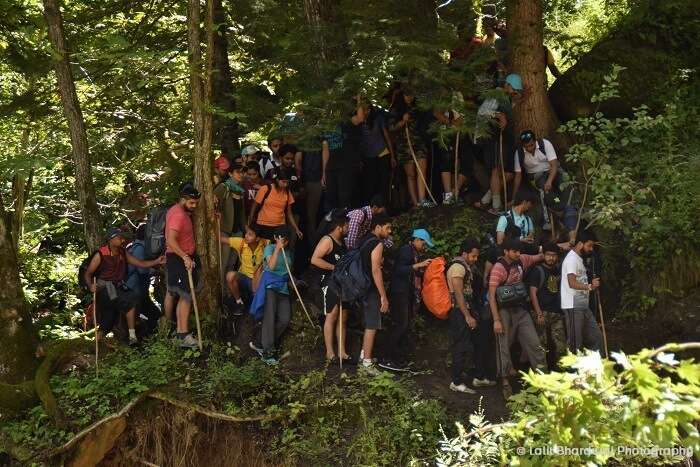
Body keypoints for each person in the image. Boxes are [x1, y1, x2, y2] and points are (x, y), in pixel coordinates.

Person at [84, 227, 164, 345]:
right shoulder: (100, 254)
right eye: (119, 238)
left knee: (109, 318)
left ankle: (97, 342)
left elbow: (139, 263)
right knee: (130, 301)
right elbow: (88, 273)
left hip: (116, 287)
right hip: (105, 289)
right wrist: (91, 286)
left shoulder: (122, 252)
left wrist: (156, 262)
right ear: (111, 239)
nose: (122, 240)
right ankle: (132, 337)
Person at [488, 238, 546, 399]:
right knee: (503, 346)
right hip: (504, 312)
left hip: (521, 309)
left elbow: (540, 257)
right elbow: (491, 296)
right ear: (506, 252)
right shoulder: (498, 269)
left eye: (519, 251)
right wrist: (496, 320)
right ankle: (505, 383)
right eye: (514, 251)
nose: (518, 253)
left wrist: (557, 247)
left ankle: (544, 382)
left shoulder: (522, 260)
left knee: (535, 344)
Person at [379, 229, 434, 371]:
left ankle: (396, 358)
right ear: (416, 240)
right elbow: (399, 270)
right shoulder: (406, 250)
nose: (424, 246)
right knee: (400, 325)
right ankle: (385, 357)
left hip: (405, 293)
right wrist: (418, 265)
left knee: (403, 325)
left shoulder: (413, 253)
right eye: (423, 242)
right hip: (399, 292)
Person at [446, 238, 494, 393]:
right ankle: (456, 381)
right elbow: (458, 294)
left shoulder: (465, 267)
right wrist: (467, 316)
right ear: (465, 253)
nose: (475, 259)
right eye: (473, 256)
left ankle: (479, 376)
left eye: (477, 256)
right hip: (460, 312)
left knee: (478, 341)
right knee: (461, 345)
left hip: (469, 310)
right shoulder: (457, 268)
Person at [512, 130, 577, 242]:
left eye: (531, 145)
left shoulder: (545, 144)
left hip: (553, 171)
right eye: (527, 146)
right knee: (547, 192)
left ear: (535, 141)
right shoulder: (519, 153)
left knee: (565, 185)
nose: (530, 148)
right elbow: (518, 175)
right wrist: (513, 196)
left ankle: (566, 206)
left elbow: (554, 165)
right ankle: (555, 210)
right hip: (537, 176)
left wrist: (550, 181)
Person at [473, 73, 523, 214]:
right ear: (506, 85)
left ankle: (485, 200)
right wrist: (499, 116)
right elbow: (482, 112)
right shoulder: (497, 94)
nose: (514, 92)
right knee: (495, 170)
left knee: (508, 173)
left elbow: (508, 110)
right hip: (489, 137)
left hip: (501, 138)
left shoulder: (506, 98)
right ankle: (496, 206)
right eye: (513, 89)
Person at [164, 182, 203, 349]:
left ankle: (181, 333)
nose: (194, 206)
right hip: (177, 258)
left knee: (184, 295)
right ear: (182, 199)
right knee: (186, 295)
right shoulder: (178, 215)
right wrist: (185, 257)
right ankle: (184, 334)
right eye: (191, 203)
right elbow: (171, 240)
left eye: (196, 203)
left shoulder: (181, 211)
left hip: (181, 257)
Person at [309, 211, 351, 363]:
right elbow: (315, 259)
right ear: (339, 227)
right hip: (329, 282)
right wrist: (333, 268)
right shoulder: (327, 240)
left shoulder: (342, 242)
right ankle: (330, 352)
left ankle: (342, 352)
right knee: (332, 315)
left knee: (343, 317)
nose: (348, 229)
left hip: (342, 284)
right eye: (346, 226)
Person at [250, 225, 295, 365]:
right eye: (282, 240)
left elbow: (287, 271)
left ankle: (259, 342)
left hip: (283, 288)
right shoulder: (269, 248)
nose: (285, 243)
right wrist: (277, 248)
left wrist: (294, 281)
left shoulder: (289, 252)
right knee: (269, 318)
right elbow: (272, 266)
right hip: (270, 286)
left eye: (286, 241)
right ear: (276, 238)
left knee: (284, 319)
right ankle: (268, 352)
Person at [359, 213, 392, 375]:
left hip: (360, 286)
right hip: (371, 288)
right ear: (378, 227)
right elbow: (375, 270)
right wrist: (383, 296)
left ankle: (363, 355)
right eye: (387, 227)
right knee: (372, 324)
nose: (389, 231)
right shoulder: (377, 244)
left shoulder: (364, 240)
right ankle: (366, 363)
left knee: (368, 323)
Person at [389, 88, 434, 208]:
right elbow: (391, 128)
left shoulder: (418, 108)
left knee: (422, 170)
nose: (409, 97)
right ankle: (416, 203)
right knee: (411, 174)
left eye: (411, 95)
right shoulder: (395, 110)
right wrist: (402, 122)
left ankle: (422, 199)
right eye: (406, 95)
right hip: (404, 146)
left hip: (419, 143)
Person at [560, 230, 602, 353]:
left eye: (592, 246)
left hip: (583, 306)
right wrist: (590, 286)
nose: (591, 249)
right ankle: (571, 371)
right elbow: (571, 282)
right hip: (572, 306)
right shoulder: (571, 259)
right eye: (589, 245)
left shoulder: (579, 259)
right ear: (579, 244)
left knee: (597, 337)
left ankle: (595, 367)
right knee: (574, 343)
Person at [527, 242, 566, 370]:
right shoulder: (537, 270)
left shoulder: (557, 269)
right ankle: (541, 374)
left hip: (556, 313)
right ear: (543, 255)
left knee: (561, 345)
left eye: (554, 255)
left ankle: (562, 372)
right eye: (548, 255)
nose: (551, 258)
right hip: (541, 313)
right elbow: (532, 293)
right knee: (540, 345)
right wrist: (538, 314)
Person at [322, 101, 366, 211]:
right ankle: (335, 225)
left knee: (345, 198)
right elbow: (325, 149)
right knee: (331, 198)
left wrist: (359, 99)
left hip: (346, 166)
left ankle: (347, 224)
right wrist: (324, 171)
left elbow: (360, 118)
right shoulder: (326, 127)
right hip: (331, 167)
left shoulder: (347, 122)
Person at [219, 225, 267, 314]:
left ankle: (253, 299)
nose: (246, 236)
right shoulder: (241, 242)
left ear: (257, 239)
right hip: (243, 278)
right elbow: (221, 239)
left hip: (258, 281)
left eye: (250, 234)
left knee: (255, 310)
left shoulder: (265, 244)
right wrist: (215, 222)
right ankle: (239, 302)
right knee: (230, 276)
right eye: (246, 233)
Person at [125, 224, 161, 335]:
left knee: (153, 314)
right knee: (154, 314)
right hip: (135, 289)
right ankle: (144, 339)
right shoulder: (140, 248)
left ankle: (145, 338)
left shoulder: (136, 246)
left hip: (137, 290)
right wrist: (155, 271)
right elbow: (141, 269)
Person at [248, 167, 302, 241]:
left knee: (276, 249)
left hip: (279, 227)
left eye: (287, 182)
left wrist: (296, 229)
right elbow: (254, 207)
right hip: (262, 226)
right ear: (277, 180)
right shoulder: (265, 189)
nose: (285, 185)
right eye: (283, 182)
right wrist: (250, 224)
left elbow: (289, 214)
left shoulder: (287, 193)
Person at [214, 163, 247, 277]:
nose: (241, 174)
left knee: (232, 263)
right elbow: (213, 206)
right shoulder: (223, 187)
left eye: (242, 172)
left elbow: (241, 213)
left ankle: (229, 291)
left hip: (237, 231)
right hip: (225, 231)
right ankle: (220, 291)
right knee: (223, 262)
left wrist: (245, 228)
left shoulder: (240, 190)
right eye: (238, 172)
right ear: (230, 173)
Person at [360, 104, 396, 206]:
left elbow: (386, 137)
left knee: (384, 182)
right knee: (370, 183)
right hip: (368, 156)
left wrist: (392, 156)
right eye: (364, 110)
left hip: (382, 153)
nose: (366, 112)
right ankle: (370, 208)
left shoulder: (378, 119)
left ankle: (385, 206)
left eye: (368, 109)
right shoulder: (358, 122)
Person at [295, 146, 324, 241]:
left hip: (314, 180)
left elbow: (298, 162)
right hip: (309, 181)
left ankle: (312, 245)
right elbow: (298, 162)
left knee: (311, 217)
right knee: (309, 217)